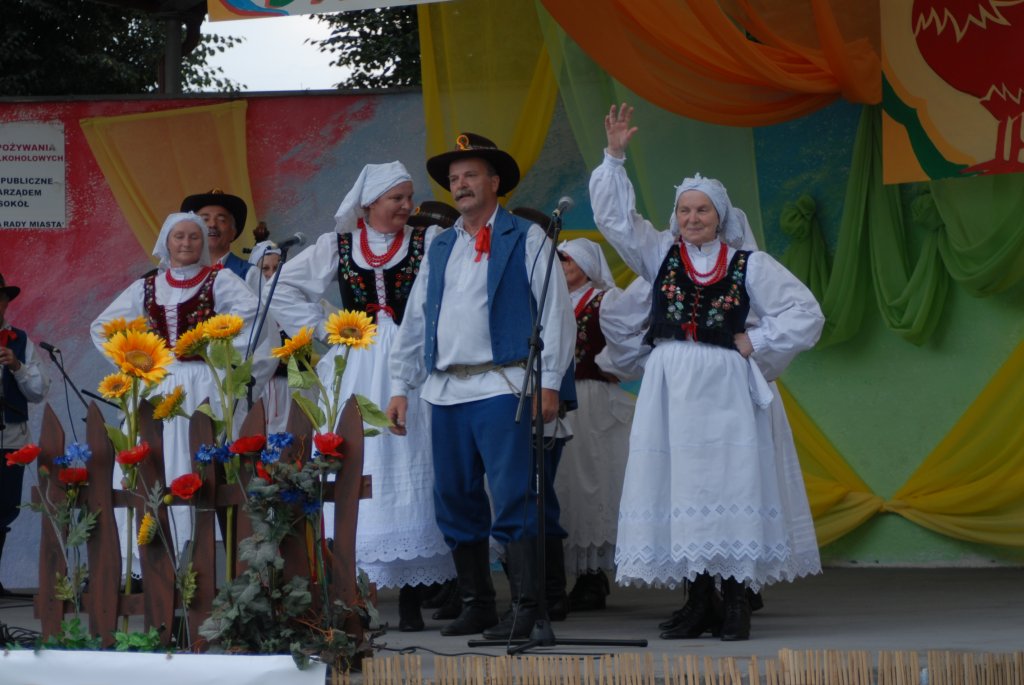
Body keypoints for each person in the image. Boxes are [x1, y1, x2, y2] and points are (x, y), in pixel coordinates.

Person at [591, 104, 824, 641]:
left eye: (702, 211)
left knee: (732, 479)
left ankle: (737, 600)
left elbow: (805, 312)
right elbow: (617, 222)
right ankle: (698, 600)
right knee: (681, 484)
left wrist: (756, 339)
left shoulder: (749, 264)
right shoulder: (660, 254)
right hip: (672, 383)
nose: (693, 218)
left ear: (720, 216)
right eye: (685, 210)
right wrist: (614, 157)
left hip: (726, 384)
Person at [386, 133, 574, 640]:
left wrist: (549, 383)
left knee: (514, 497)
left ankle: (529, 608)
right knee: (454, 497)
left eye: (470, 175)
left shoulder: (526, 237)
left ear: (495, 182)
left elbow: (556, 313)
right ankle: (478, 603)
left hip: (502, 385)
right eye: (454, 179)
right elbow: (417, 318)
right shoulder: (441, 244)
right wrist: (402, 385)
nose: (460, 185)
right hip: (446, 390)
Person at [269, 162, 455, 633]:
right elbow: (282, 286)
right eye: (397, 198)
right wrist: (325, 330)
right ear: (369, 203)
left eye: (409, 197)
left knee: (411, 453)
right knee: (360, 458)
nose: (407, 206)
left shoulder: (428, 241)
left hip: (412, 362)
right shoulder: (339, 246)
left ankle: (413, 597)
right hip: (358, 361)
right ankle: (355, 590)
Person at [90, 213, 274, 569]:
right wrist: (139, 358)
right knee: (157, 458)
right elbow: (103, 327)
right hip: (159, 382)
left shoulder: (219, 279)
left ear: (203, 243)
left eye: (194, 237)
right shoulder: (148, 286)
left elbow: (255, 318)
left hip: (204, 381)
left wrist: (217, 349)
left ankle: (205, 551)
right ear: (167, 242)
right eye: (179, 237)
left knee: (203, 457)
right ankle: (156, 557)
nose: (186, 243)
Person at [549, 237, 637, 613]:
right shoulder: (548, 301)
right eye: (558, 259)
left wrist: (613, 367)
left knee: (593, 480)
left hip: (590, 400)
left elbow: (632, 340)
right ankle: (563, 574)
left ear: (585, 267)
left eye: (567, 260)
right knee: (562, 482)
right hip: (555, 400)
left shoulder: (606, 301)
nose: (560, 265)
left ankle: (593, 576)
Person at [0, 272, 50, 596]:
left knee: (5, 508)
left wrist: (17, 366)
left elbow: (38, 391)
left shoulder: (19, 340)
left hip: (10, 438)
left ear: (5, 302)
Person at [248, 241, 291, 434]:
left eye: (276, 267)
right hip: (260, 388)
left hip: (290, 388)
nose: (271, 273)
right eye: (265, 268)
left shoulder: (293, 304)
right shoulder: (249, 308)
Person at [180, 189, 255, 285]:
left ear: (233, 232)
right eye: (205, 219)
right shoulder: (181, 272)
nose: (212, 224)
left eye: (221, 220)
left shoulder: (249, 273)